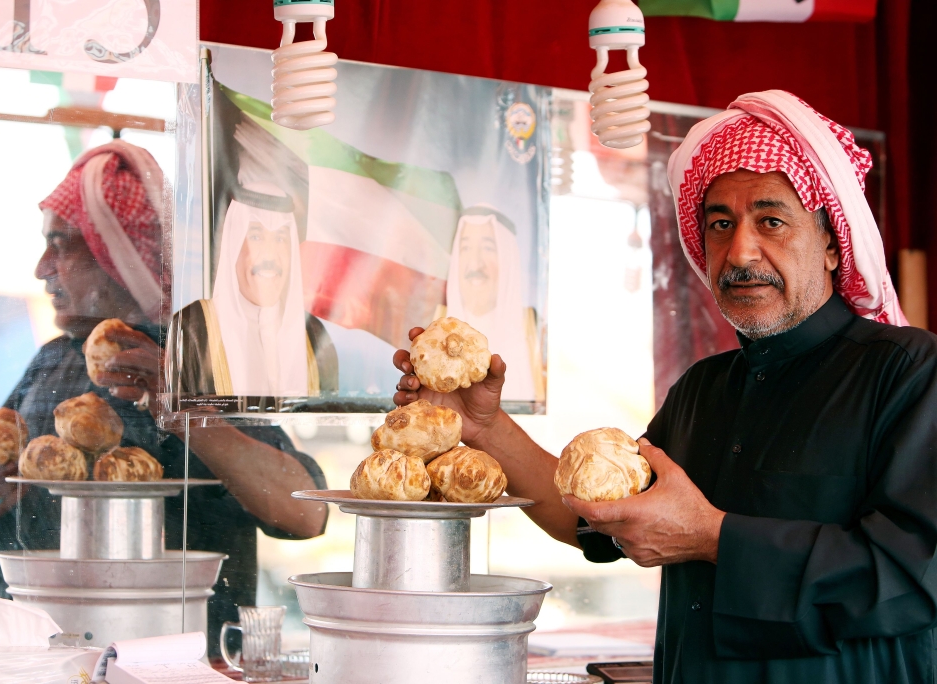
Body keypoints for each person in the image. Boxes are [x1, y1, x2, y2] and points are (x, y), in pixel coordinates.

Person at [391, 90, 937, 683]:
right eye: (720, 224)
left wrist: (712, 538)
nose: (740, 251)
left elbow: (914, 576)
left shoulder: (908, 373)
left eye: (772, 221)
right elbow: (596, 520)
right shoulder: (702, 390)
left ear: (832, 243)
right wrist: (483, 427)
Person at [0, 140, 328, 650]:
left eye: (60, 244)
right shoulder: (54, 360)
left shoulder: (199, 358)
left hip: (182, 661)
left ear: (116, 252)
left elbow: (303, 512)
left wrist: (185, 412)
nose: (41, 268)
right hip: (49, 661)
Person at [167, 182, 337, 397]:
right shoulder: (192, 327)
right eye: (256, 237)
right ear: (234, 245)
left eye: (280, 238)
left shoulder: (314, 334)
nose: (270, 255)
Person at [445, 206, 543, 402]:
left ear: (508, 259)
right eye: (465, 248)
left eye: (488, 248)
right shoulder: (435, 331)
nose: (475, 263)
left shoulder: (533, 331)